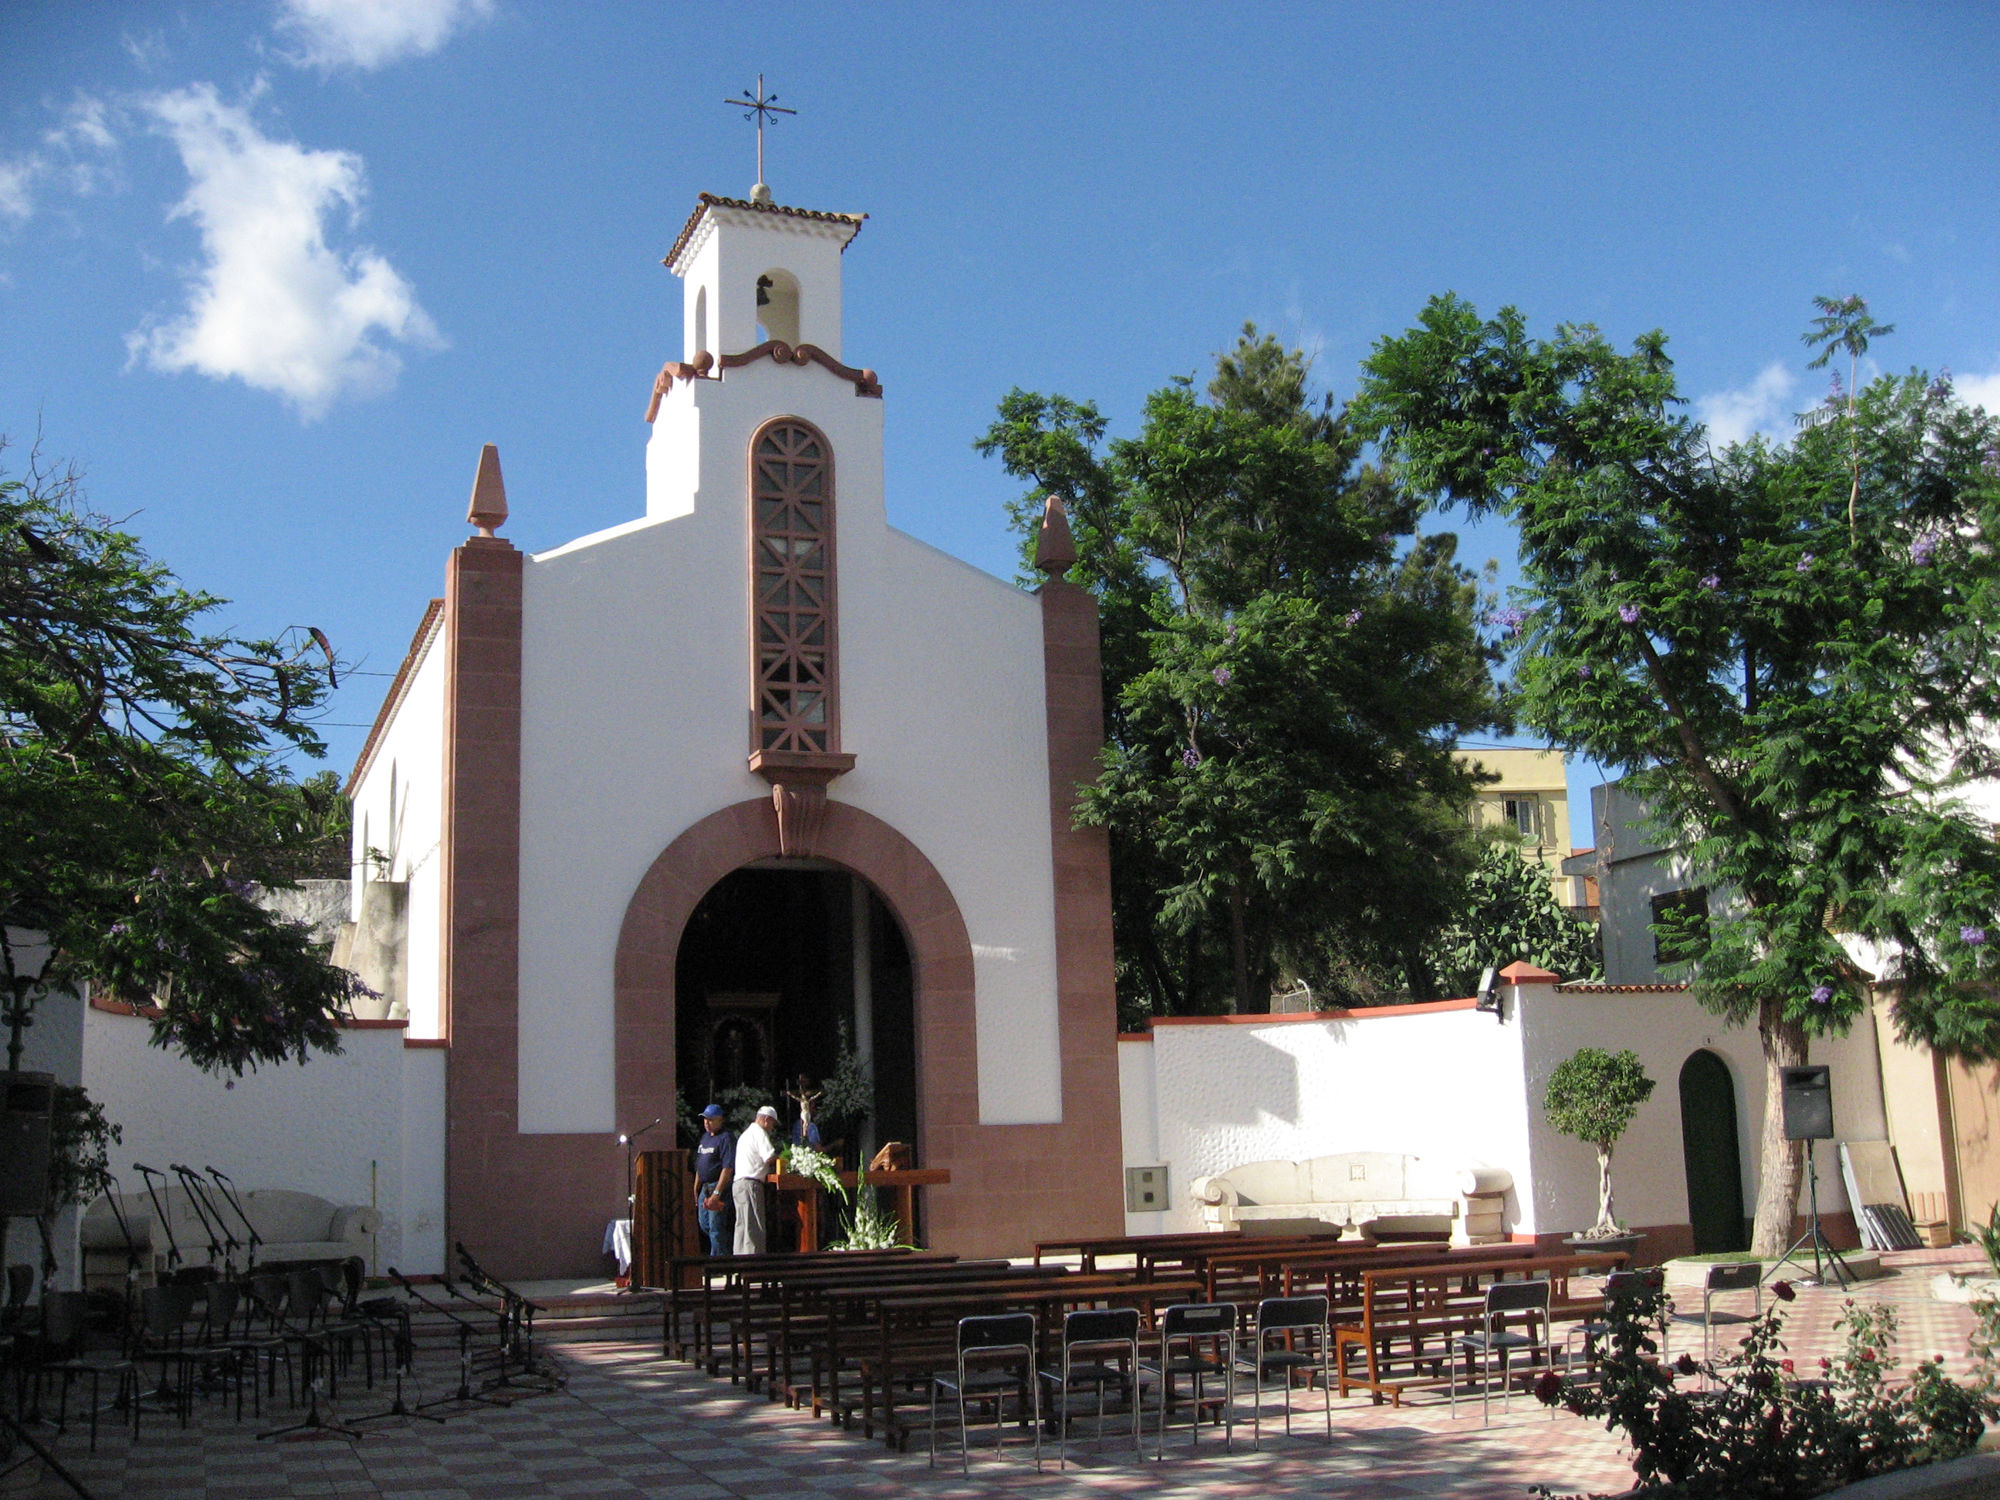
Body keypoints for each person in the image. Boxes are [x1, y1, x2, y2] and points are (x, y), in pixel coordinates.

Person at [732, 1104, 782, 1255]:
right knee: (754, 1228)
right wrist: (785, 1160)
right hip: (751, 1185)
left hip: (739, 1185)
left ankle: (739, 1264)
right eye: (772, 1124)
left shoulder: (745, 1134)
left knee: (742, 1227)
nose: (772, 1129)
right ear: (766, 1120)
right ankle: (754, 1267)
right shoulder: (759, 1133)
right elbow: (769, 1157)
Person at [691, 1104, 735, 1256]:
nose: (706, 1123)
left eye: (710, 1120)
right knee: (705, 1224)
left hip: (718, 1186)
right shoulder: (704, 1138)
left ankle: (717, 1262)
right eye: (705, 1120)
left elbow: (727, 1168)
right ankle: (722, 1253)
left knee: (716, 1227)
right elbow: (700, 1164)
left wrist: (717, 1193)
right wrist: (696, 1187)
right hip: (704, 1187)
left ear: (719, 1120)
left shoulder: (726, 1138)